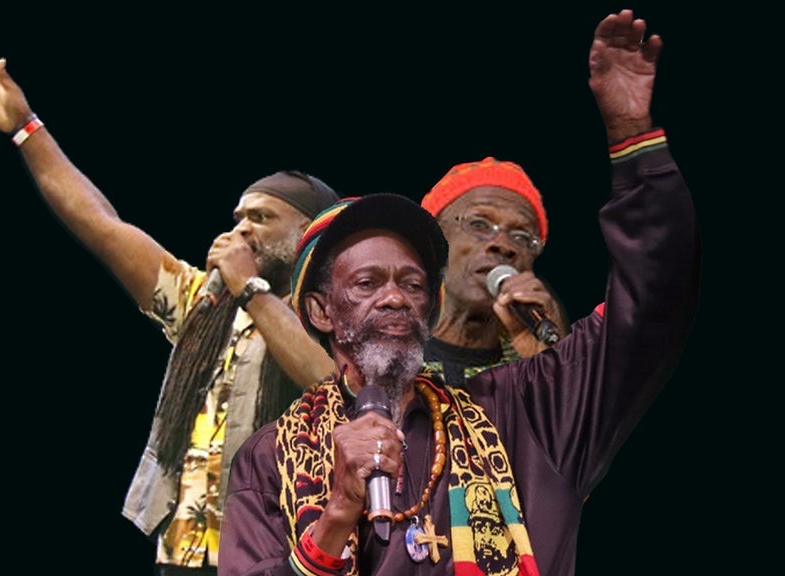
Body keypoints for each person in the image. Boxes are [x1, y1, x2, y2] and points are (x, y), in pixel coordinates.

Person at [217, 9, 701, 576]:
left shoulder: (526, 411)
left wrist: (633, 139)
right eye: (368, 283)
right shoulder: (268, 458)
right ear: (322, 310)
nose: (396, 297)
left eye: (412, 283)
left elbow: (653, 303)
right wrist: (339, 513)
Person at [0, 53, 340, 575]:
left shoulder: (335, 315)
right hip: (184, 552)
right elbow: (101, 224)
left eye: (261, 218)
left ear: (308, 233)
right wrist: (26, 128)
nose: (240, 229)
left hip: (278, 551)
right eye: (238, 217)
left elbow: (333, 386)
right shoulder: (204, 304)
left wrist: (251, 289)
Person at [420, 156, 571, 386]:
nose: (503, 244)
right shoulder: (376, 353)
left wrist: (557, 366)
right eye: (478, 224)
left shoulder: (531, 370)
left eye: (521, 236)